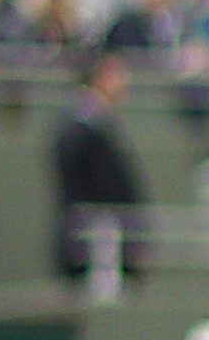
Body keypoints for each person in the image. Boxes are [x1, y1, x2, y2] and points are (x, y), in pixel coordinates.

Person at [50, 52, 146, 283]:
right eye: (116, 74)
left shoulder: (101, 125)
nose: (124, 81)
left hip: (107, 239)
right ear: (99, 78)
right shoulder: (82, 129)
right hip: (94, 243)